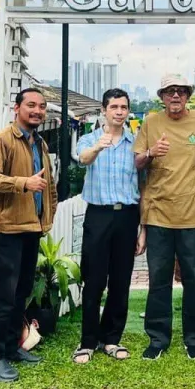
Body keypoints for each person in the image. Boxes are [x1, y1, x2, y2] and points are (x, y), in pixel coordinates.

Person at [134, 73, 195, 361]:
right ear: (162, 96)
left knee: (194, 278)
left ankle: (194, 339)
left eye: (181, 91)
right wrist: (151, 152)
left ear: (189, 95)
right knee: (159, 279)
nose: (176, 96)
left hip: (193, 214)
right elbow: (137, 161)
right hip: (158, 214)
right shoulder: (151, 122)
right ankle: (158, 338)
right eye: (170, 91)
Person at [0, 88, 57, 383]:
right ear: (17, 108)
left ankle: (12, 347)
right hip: (4, 229)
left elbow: (47, 185)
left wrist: (47, 214)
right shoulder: (0, 141)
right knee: (3, 295)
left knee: (21, 292)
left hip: (29, 228)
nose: (37, 111)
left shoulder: (39, 143)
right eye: (31, 105)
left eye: (42, 107)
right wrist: (24, 183)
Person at [72, 88, 141, 365]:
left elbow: (143, 184)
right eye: (114, 107)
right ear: (104, 110)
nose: (119, 112)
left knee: (121, 280)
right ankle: (88, 341)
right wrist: (99, 146)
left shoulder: (134, 144)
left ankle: (112, 338)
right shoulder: (88, 139)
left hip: (127, 216)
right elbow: (82, 159)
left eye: (124, 107)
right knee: (95, 280)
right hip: (98, 216)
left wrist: (142, 228)